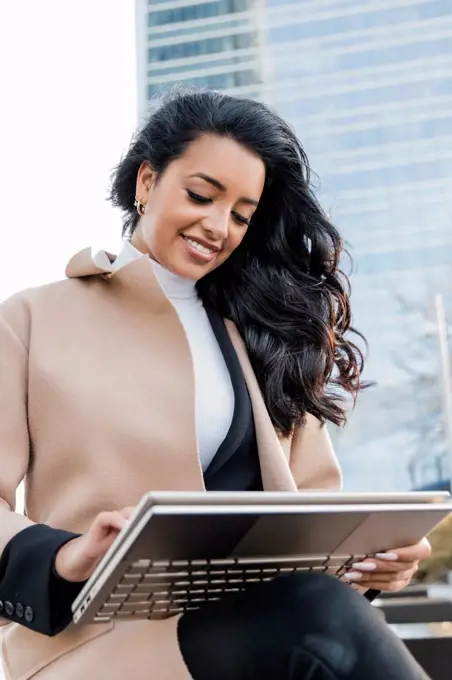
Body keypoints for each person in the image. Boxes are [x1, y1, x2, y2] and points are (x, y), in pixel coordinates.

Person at [0, 88, 431, 680]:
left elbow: (317, 519)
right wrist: (64, 554)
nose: (217, 225)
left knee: (320, 608)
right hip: (95, 642)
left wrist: (373, 565)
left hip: (258, 631)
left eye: (240, 214)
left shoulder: (263, 336)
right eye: (201, 196)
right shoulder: (31, 319)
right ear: (147, 181)